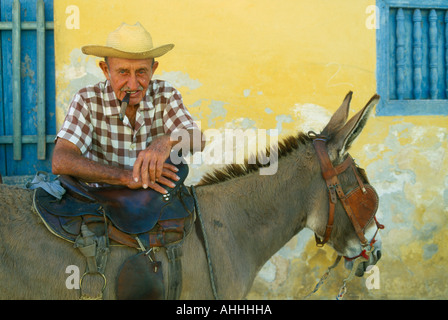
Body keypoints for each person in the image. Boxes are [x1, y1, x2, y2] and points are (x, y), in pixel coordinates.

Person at [52, 22, 204, 194]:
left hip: (154, 199)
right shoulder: (87, 100)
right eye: (123, 72)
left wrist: (167, 141)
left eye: (141, 72)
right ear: (105, 70)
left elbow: (198, 140)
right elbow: (61, 160)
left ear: (153, 70)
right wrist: (126, 177)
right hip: (100, 201)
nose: (133, 84)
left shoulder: (165, 95)